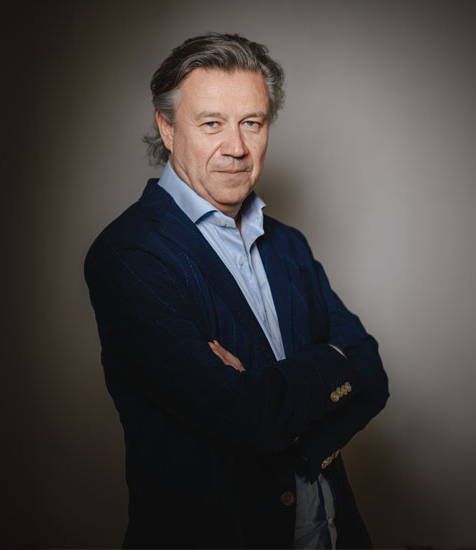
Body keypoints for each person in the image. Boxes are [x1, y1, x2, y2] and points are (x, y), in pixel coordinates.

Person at [84, 33, 389, 549]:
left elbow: (371, 373)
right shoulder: (129, 254)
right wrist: (334, 363)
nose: (237, 147)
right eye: (212, 124)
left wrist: (283, 416)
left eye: (252, 123)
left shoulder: (288, 244)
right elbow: (244, 417)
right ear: (167, 128)